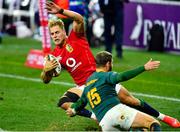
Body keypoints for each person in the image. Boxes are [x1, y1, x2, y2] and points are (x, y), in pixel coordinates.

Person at [42, 1, 180, 128]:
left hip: (99, 77)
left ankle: (164, 117)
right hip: (84, 86)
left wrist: (60, 10)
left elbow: (79, 19)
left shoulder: (76, 37)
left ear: (64, 31)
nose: (54, 36)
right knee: (63, 102)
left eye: (57, 32)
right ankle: (96, 117)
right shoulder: (55, 56)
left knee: (130, 100)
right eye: (52, 34)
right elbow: (46, 80)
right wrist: (46, 71)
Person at [66, 51, 161, 131]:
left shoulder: (88, 82)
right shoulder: (106, 75)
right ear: (108, 64)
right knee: (153, 123)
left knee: (139, 129)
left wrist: (73, 110)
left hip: (104, 125)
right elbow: (122, 76)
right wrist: (143, 68)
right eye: (112, 62)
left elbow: (81, 102)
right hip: (116, 112)